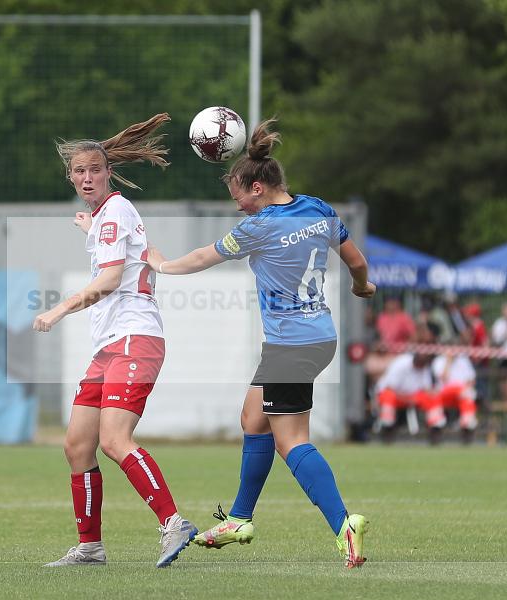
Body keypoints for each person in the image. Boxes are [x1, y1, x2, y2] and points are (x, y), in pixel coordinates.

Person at [146, 118, 376, 569]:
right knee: (254, 418)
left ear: (256, 187)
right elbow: (357, 262)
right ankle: (239, 518)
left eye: (237, 197)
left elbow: (202, 257)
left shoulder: (261, 227)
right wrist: (361, 288)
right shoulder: (320, 210)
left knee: (292, 441)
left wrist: (162, 265)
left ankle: (343, 524)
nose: (237, 206)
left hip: (291, 345)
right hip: (318, 336)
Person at [32, 114, 196, 568]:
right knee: (76, 445)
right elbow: (129, 254)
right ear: (71, 176)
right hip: (111, 345)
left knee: (114, 439)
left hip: (134, 337)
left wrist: (59, 309)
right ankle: (90, 547)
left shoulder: (116, 211)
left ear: (109, 173)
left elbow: (107, 281)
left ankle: (173, 523)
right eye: (79, 171)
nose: (87, 177)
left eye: (95, 170)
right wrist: (92, 230)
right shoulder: (109, 217)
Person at [432, 352, 479, 444]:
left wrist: (464, 388)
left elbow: (472, 380)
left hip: (462, 395)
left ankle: (467, 427)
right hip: (443, 395)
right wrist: (448, 361)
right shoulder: (439, 360)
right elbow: (443, 379)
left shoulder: (464, 360)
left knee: (467, 396)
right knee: (433, 400)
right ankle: (436, 430)